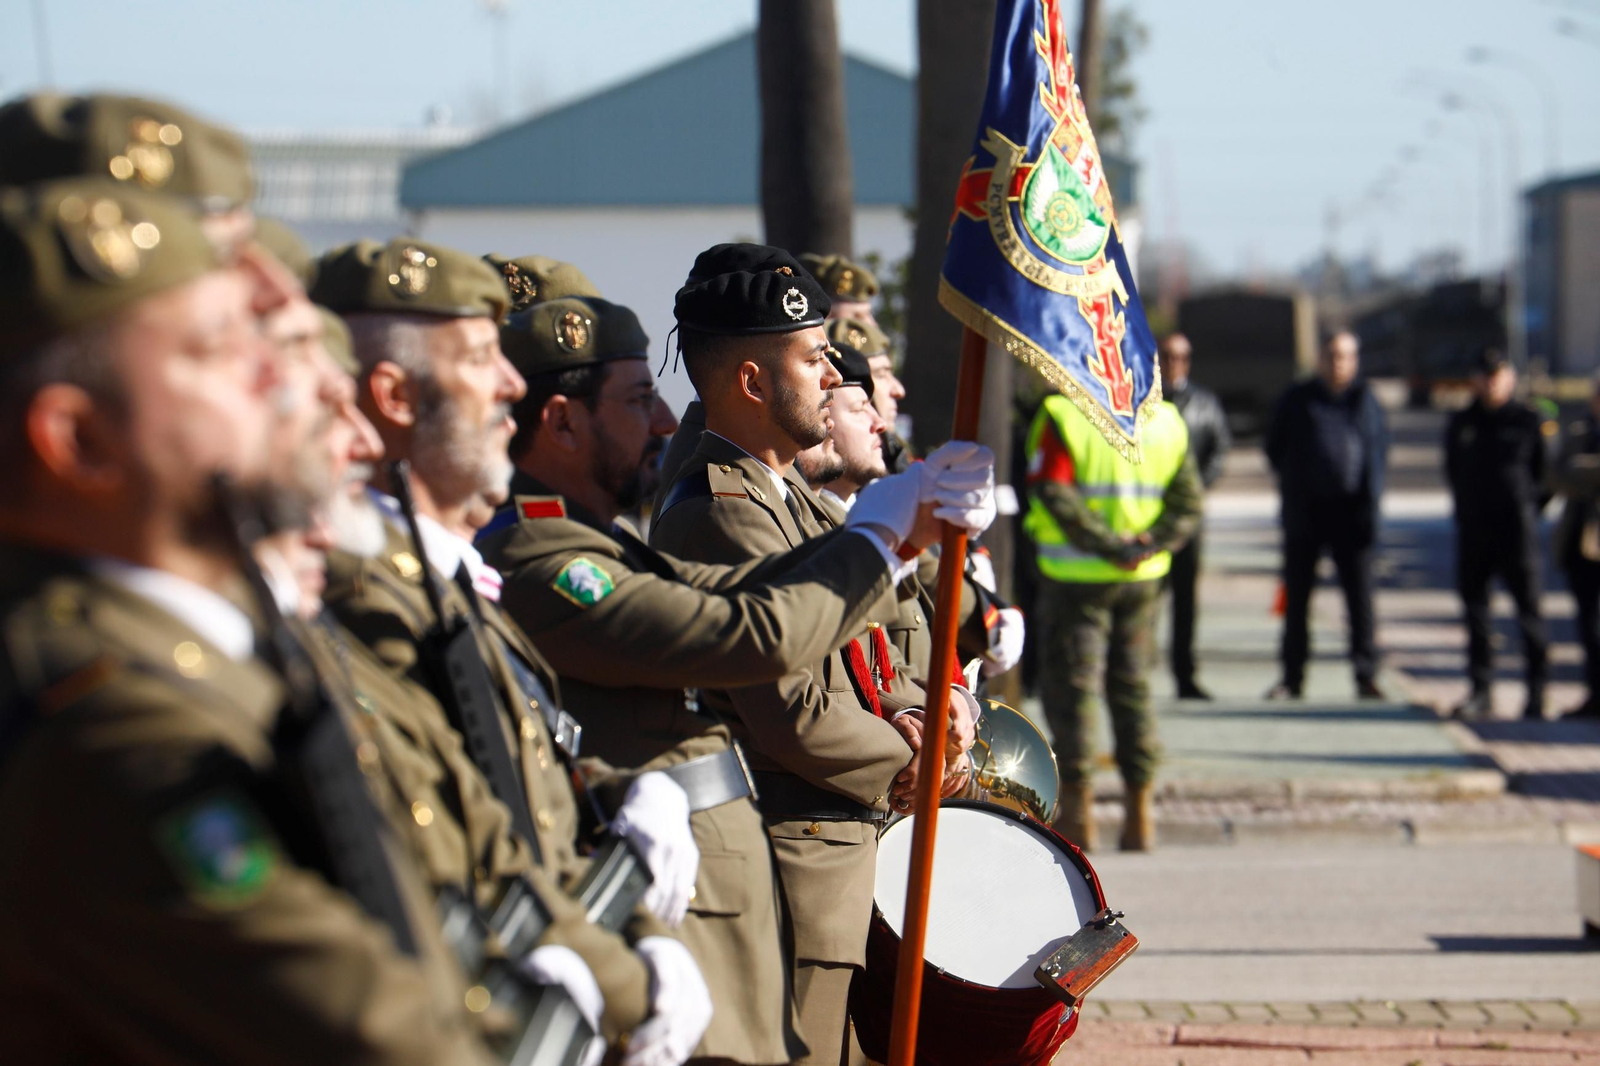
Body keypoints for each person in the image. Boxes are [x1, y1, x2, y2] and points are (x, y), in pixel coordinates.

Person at [0, 177, 498, 1063]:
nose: (279, 380)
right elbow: (374, 1036)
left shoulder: (208, 647)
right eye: (217, 351)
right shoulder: (111, 730)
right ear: (78, 442)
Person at [480, 297, 974, 1064]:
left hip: (723, 886)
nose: (661, 424)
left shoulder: (601, 544)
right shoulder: (544, 559)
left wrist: (896, 543)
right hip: (691, 892)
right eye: (637, 399)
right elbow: (751, 634)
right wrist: (880, 542)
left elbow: (749, 599)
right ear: (562, 422)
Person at [309, 237, 711, 1062]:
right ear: (390, 395)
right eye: (480, 360)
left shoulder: (437, 580)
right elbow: (445, 844)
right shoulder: (366, 598)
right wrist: (622, 976)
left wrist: (616, 794)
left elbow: (508, 782)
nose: (510, 387)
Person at [650, 243, 991, 1066]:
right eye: (811, 360)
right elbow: (788, 711)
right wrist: (908, 759)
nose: (832, 375)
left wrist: (925, 706)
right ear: (753, 382)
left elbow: (865, 648)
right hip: (791, 858)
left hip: (834, 853)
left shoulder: (788, 498)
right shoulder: (721, 512)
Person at [1023, 392, 1202, 852]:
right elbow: (1188, 504)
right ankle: (1140, 814)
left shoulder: (1065, 414)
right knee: (1133, 686)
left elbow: (1052, 490)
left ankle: (1080, 819)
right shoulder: (1166, 420)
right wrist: (1147, 543)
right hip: (1143, 577)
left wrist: (1107, 545)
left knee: (1073, 691)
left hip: (1076, 578)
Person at [1264, 330, 1389, 701]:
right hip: (1307, 515)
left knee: (1360, 601)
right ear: (1320, 358)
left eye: (1346, 356)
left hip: (1352, 516)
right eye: (1332, 355)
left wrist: (1371, 505)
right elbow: (1274, 449)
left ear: (1355, 360)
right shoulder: (1297, 399)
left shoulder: (1367, 401)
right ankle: (1292, 677)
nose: (1339, 363)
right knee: (1298, 598)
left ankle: (1365, 677)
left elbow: (1379, 453)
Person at [1445, 349, 1549, 721]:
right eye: (1485, 375)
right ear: (1474, 380)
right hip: (1475, 528)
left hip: (1516, 529)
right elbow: (1452, 470)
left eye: (1498, 375)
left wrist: (1527, 508)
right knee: (1476, 613)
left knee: (1529, 613)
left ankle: (1536, 694)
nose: (1491, 383)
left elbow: (1543, 474)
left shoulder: (1527, 419)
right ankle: (1481, 690)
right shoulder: (1462, 421)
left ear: (1510, 379)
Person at [1159, 333, 1231, 700]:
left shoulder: (1204, 404)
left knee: (1185, 600)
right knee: (1145, 599)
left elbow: (1219, 449)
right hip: (1149, 516)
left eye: (1181, 357)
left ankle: (1185, 675)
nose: (1174, 363)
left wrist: (1195, 491)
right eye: (1168, 356)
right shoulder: (1146, 401)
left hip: (1188, 520)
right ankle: (1134, 672)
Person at [1554, 378, 1600, 720]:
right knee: (1587, 625)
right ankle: (1595, 693)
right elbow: (1557, 474)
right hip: (1578, 545)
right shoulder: (1581, 430)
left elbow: (1573, 471)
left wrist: (1581, 469)